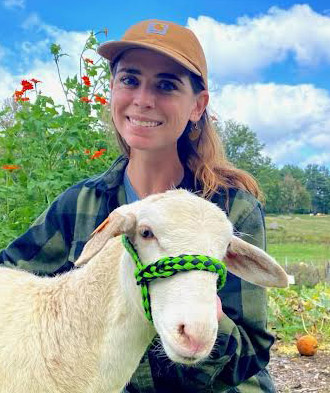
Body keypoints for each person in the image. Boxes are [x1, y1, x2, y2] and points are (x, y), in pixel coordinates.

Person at [0, 19, 276, 393]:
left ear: (198, 105)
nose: (143, 99)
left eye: (166, 85)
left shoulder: (230, 211)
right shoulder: (81, 203)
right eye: (129, 80)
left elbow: (250, 355)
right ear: (113, 90)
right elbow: (9, 272)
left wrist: (208, 318)